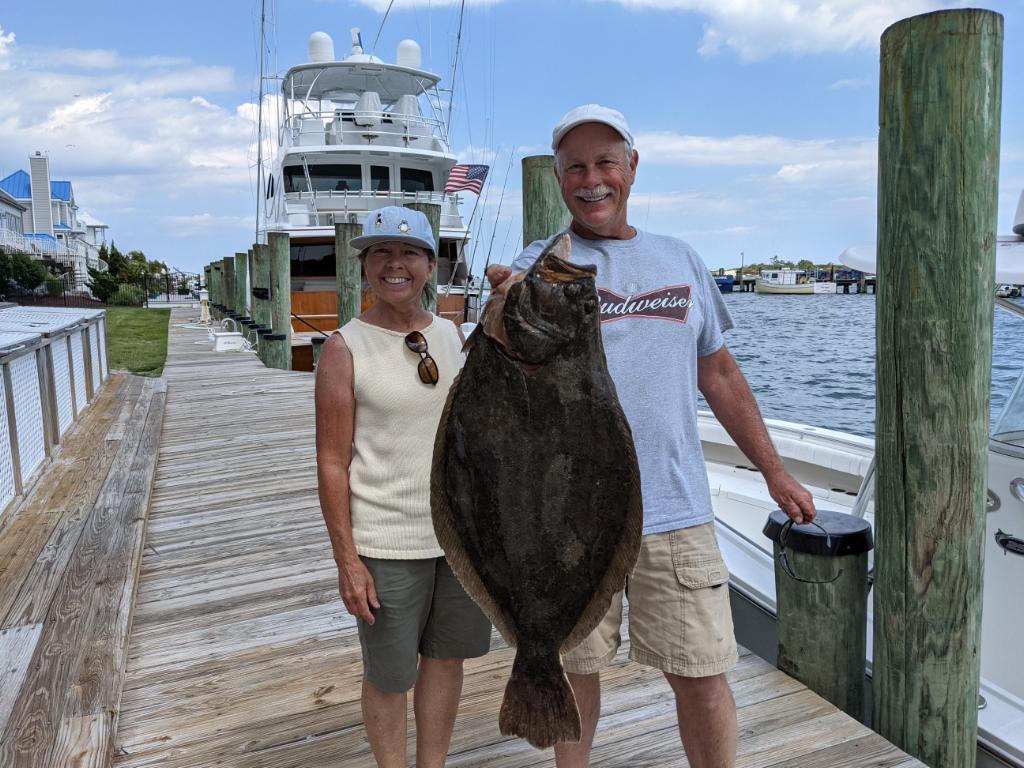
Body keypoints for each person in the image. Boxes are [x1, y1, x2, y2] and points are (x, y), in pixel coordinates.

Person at [487, 105, 817, 768]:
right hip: (572, 520)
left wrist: (775, 472)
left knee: (701, 673)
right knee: (574, 671)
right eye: (575, 167)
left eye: (605, 162)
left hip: (675, 509)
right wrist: (504, 309)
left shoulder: (680, 259)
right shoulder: (542, 263)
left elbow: (719, 372)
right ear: (558, 180)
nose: (591, 178)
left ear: (632, 168)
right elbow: (503, 367)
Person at [315, 206, 491, 768]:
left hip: (458, 541)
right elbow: (332, 462)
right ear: (365, 266)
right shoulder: (344, 348)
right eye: (381, 253)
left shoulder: (452, 333)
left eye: (410, 252)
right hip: (386, 542)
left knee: (447, 661)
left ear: (430, 265)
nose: (397, 264)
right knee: (391, 676)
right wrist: (348, 560)